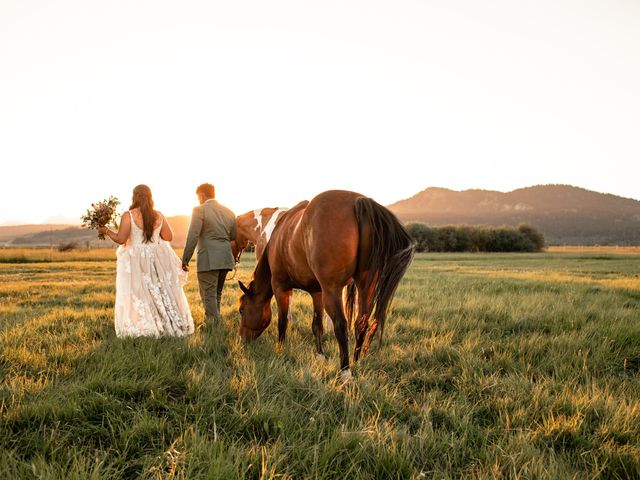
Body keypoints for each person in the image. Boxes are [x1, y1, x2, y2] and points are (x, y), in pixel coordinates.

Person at [99, 185, 194, 338]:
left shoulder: (128, 215)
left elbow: (121, 239)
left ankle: (146, 326)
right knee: (160, 290)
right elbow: (168, 237)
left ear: (134, 196)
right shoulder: (158, 215)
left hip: (136, 260)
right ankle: (167, 324)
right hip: (157, 259)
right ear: (150, 197)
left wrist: (107, 231)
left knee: (140, 292)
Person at [182, 183, 236, 327]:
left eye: (198, 196)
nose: (198, 199)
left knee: (208, 295)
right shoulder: (230, 212)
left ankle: (213, 327)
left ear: (202, 195)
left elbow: (193, 235)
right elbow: (233, 237)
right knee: (216, 294)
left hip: (208, 259)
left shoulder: (199, 210)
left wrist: (185, 259)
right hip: (225, 259)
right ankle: (216, 326)